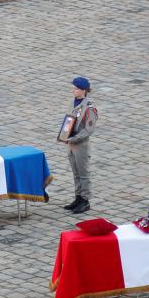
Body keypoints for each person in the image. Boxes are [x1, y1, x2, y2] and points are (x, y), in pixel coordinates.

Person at [62, 76, 97, 215]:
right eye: (74, 88)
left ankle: (85, 200)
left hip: (80, 144)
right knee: (75, 173)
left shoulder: (89, 108)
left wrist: (74, 138)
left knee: (83, 173)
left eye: (76, 88)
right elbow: (68, 120)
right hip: (71, 143)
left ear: (84, 91)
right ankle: (78, 197)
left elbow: (88, 130)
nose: (74, 90)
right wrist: (64, 135)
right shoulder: (73, 103)